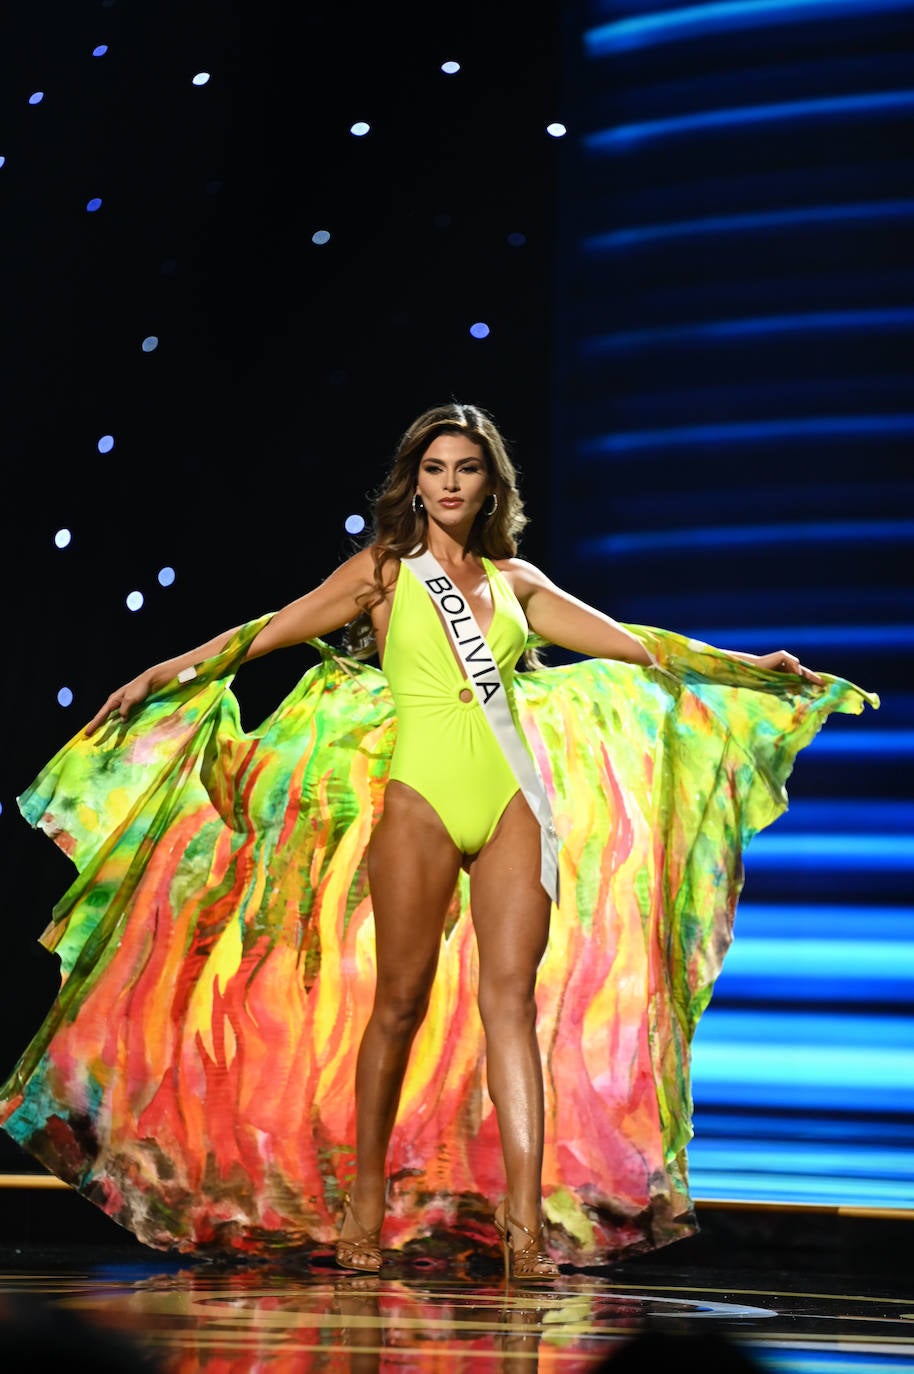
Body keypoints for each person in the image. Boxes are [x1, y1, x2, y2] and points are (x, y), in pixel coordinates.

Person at [0, 403, 877, 1275]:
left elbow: (638, 648)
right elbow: (264, 633)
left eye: (466, 469)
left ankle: (525, 1229)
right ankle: (366, 1206)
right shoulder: (383, 572)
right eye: (435, 470)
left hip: (510, 803)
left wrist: (744, 668)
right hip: (419, 801)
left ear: (492, 482)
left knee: (512, 1006)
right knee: (399, 1005)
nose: (450, 485)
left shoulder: (518, 584)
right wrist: (162, 672)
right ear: (413, 483)